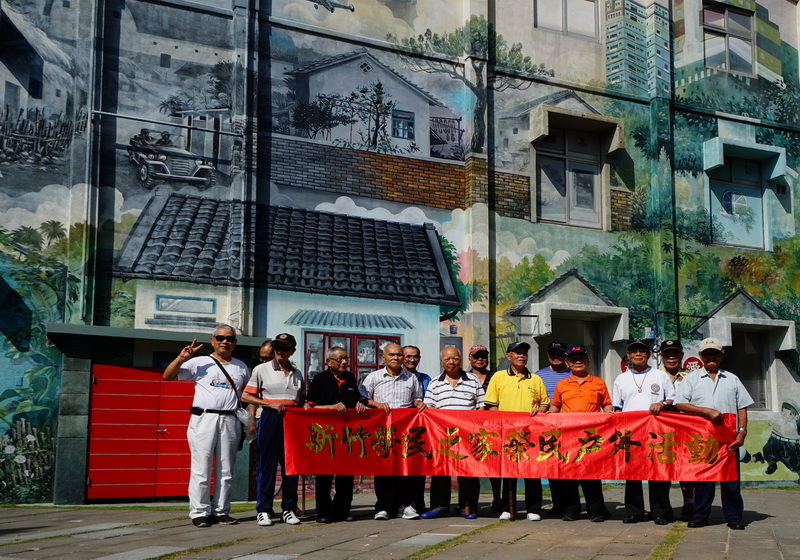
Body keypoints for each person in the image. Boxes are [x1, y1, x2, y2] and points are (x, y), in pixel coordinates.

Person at [163, 324, 250, 527]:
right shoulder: (199, 362)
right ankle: (199, 512)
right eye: (220, 338)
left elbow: (246, 395)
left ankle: (221, 511)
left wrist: (249, 421)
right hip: (204, 419)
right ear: (213, 340)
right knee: (201, 468)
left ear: (235, 343)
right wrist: (181, 358)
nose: (224, 342)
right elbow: (168, 376)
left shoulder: (241, 367)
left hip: (230, 420)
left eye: (229, 338)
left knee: (226, 469)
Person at [675, 338, 752, 530]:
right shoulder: (691, 379)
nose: (711, 357)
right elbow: (680, 404)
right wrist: (705, 411)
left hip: (728, 438)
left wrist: (742, 433)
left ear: (721, 356)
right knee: (703, 480)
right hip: (702, 438)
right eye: (707, 353)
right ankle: (701, 515)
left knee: (731, 481)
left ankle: (734, 517)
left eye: (715, 353)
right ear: (700, 356)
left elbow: (742, 407)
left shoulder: (732, 378)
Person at [242, 333, 304, 527]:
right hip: (270, 418)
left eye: (284, 348)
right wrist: (268, 404)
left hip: (293, 420)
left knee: (291, 468)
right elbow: (246, 396)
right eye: (277, 347)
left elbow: (301, 400)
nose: (280, 351)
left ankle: (288, 509)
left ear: (292, 351)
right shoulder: (261, 369)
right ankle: (264, 510)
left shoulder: (298, 373)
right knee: (267, 466)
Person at [612, 338, 676, 525]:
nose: (638, 354)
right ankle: (634, 512)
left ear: (648, 355)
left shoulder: (660, 376)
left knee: (658, 472)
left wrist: (661, 403)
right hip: (631, 433)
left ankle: (661, 513)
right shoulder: (621, 378)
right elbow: (617, 408)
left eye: (642, 351)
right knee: (632, 474)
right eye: (634, 352)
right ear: (628, 356)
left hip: (656, 431)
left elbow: (671, 398)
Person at [484, 340, 549, 521]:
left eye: (524, 353)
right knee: (508, 472)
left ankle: (534, 508)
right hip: (507, 432)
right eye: (517, 352)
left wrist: (540, 411)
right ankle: (507, 507)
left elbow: (544, 403)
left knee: (532, 471)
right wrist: (501, 425)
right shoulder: (498, 377)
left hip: (531, 433)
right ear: (509, 356)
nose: (521, 356)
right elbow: (491, 405)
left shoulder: (535, 379)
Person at [360, 343, 426, 520]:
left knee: (405, 469)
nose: (396, 358)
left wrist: (419, 404)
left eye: (398, 355)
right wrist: (377, 405)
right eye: (392, 355)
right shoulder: (373, 378)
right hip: (382, 430)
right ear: (384, 358)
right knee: (384, 470)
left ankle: (405, 506)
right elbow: (363, 399)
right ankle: (383, 507)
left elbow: (416, 398)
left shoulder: (411, 378)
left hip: (405, 430)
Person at [548, 344, 612, 522]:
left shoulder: (598, 382)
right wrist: (545, 416)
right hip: (568, 437)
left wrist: (608, 412)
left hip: (592, 437)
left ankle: (596, 511)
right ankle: (571, 510)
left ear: (588, 361)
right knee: (569, 475)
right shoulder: (562, 384)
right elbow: (555, 406)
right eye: (573, 359)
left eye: (581, 358)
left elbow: (606, 404)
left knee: (591, 474)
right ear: (567, 363)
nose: (577, 362)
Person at [420, 347, 485, 519]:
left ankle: (468, 506)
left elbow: (481, 406)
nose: (451, 362)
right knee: (441, 472)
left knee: (468, 473)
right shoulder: (435, 382)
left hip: (468, 434)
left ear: (460, 359)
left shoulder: (473, 380)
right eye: (447, 359)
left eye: (455, 358)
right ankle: (440, 507)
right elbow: (430, 408)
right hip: (443, 436)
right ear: (442, 361)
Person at [306, 346, 367, 523]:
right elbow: (311, 406)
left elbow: (355, 400)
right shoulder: (319, 379)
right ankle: (324, 512)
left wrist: (359, 406)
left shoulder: (349, 378)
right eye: (340, 359)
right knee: (324, 475)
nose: (344, 362)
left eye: (346, 358)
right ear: (329, 362)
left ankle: (343, 510)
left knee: (346, 474)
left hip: (347, 433)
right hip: (326, 434)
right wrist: (331, 408)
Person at [534, 341, 571, 517]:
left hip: (570, 428)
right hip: (547, 429)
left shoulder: (574, 375)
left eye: (560, 353)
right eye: (553, 353)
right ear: (548, 356)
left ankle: (571, 506)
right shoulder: (538, 376)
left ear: (565, 356)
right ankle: (557, 505)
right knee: (552, 467)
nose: (556, 357)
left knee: (570, 467)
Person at [659, 339, 694, 519]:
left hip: (685, 428)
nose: (671, 357)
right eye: (667, 354)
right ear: (661, 356)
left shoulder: (691, 377)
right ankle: (663, 509)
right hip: (661, 430)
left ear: (681, 355)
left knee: (686, 467)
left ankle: (689, 504)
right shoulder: (655, 376)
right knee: (663, 467)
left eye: (675, 354)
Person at [466, 344, 502, 512]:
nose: (480, 359)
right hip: (469, 427)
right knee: (469, 464)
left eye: (483, 356)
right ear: (470, 358)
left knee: (495, 464)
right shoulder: (463, 377)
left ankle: (497, 497)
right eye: (476, 356)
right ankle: (469, 501)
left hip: (492, 426)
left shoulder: (496, 376)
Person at [403, 344, 431, 514]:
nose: (412, 360)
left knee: (419, 469)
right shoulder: (398, 378)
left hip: (421, 430)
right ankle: (400, 504)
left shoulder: (426, 379)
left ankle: (417, 503)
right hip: (401, 429)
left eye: (416, 356)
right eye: (408, 356)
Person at [248, 340, 274, 499]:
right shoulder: (259, 370)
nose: (264, 361)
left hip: (282, 420)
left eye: (268, 358)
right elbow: (252, 396)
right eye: (262, 358)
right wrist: (251, 422)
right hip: (262, 417)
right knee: (263, 462)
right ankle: (261, 500)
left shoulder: (291, 371)